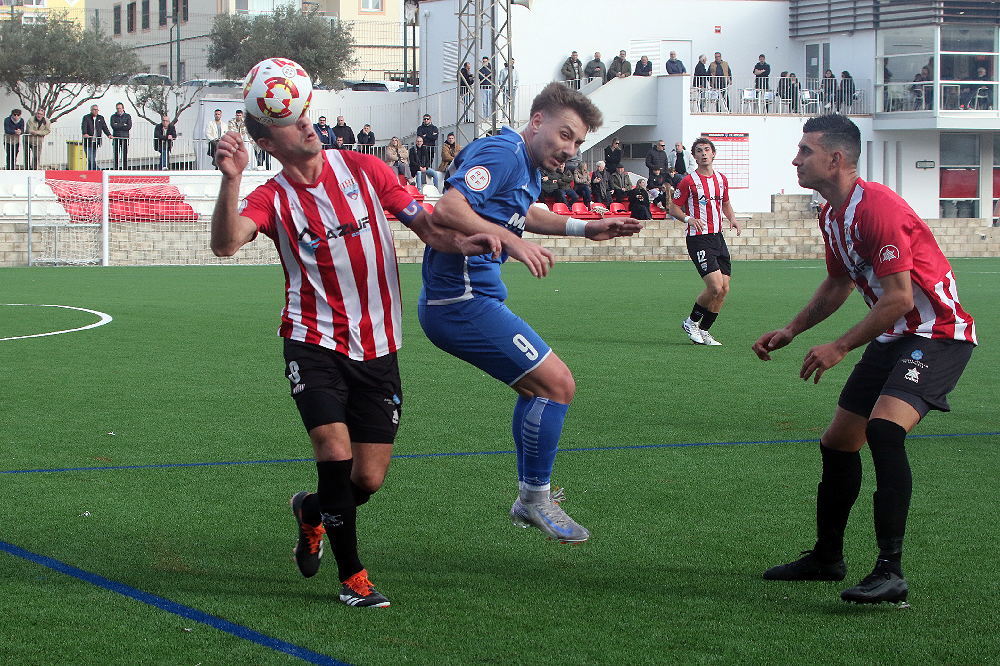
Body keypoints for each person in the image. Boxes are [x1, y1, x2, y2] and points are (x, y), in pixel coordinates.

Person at [210, 94, 500, 610]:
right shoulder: (271, 197)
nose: (308, 126)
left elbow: (427, 227)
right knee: (333, 450)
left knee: (366, 479)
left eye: (306, 117)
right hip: (312, 339)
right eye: (292, 123)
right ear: (267, 143)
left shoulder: (365, 169)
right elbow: (226, 244)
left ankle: (311, 511)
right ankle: (353, 578)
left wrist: (465, 243)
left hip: (379, 345)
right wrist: (231, 179)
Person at [753, 114, 977, 604]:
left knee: (884, 431)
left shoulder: (878, 207)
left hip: (938, 333)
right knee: (838, 443)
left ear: (836, 159)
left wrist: (838, 347)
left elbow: (899, 298)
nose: (795, 160)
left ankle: (890, 572)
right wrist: (792, 330)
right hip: (894, 334)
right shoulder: (832, 215)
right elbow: (838, 283)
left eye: (805, 151)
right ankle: (827, 557)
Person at [417, 81, 643, 545]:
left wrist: (585, 227)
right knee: (558, 384)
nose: (571, 150)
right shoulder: (503, 152)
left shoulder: (526, 164)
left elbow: (525, 214)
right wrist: (513, 243)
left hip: (472, 299)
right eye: (565, 135)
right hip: (458, 302)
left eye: (578, 142)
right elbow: (448, 207)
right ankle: (534, 499)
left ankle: (532, 496)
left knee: (537, 388)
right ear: (537, 122)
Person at [668, 136, 742, 346]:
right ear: (694, 156)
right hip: (698, 238)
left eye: (707, 150)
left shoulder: (721, 179)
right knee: (715, 287)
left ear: (713, 153)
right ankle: (691, 322)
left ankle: (704, 330)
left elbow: (725, 203)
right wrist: (688, 219)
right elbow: (673, 207)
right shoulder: (688, 181)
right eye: (699, 151)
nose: (703, 154)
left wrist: (733, 219)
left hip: (718, 237)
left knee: (724, 288)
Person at [81, 105, 111, 170]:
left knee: (92, 158)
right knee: (90, 158)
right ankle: (97, 169)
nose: (96, 111)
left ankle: (91, 171)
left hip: (95, 142)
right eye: (94, 109)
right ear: (91, 110)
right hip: (88, 142)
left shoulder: (101, 118)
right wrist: (85, 133)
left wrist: (109, 134)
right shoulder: (86, 117)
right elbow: (84, 126)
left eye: (97, 110)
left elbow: (104, 127)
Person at [109, 102, 132, 170]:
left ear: (123, 108)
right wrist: (123, 124)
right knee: (116, 155)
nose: (119, 110)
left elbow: (129, 126)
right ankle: (115, 169)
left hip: (125, 138)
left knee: (124, 155)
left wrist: (118, 124)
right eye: (117, 108)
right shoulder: (113, 116)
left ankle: (124, 169)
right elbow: (113, 126)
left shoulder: (127, 116)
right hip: (116, 137)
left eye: (120, 108)